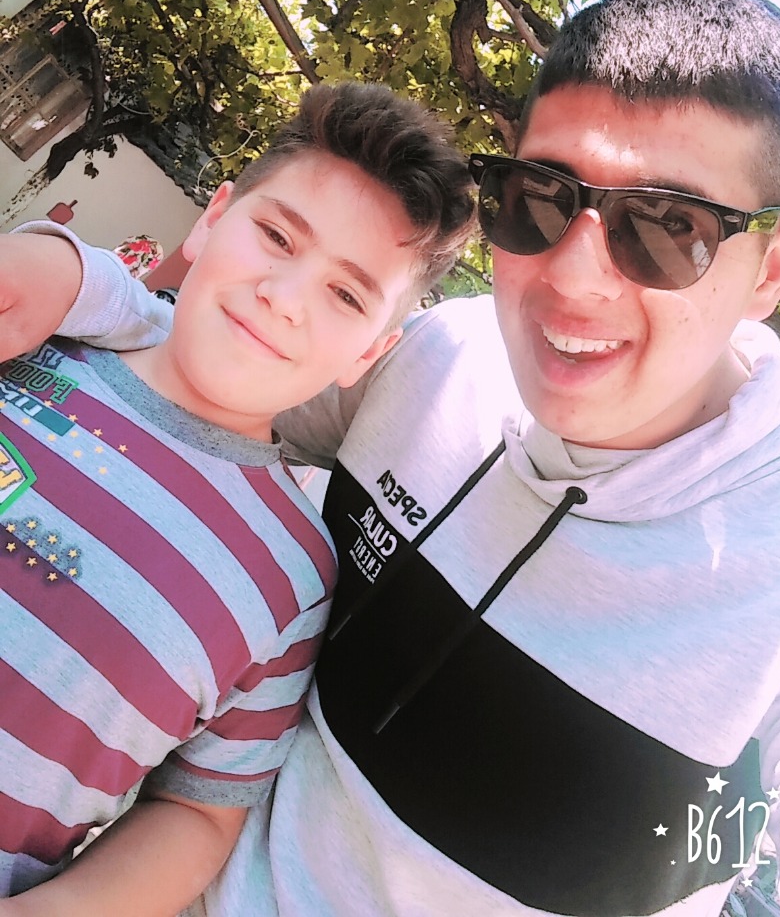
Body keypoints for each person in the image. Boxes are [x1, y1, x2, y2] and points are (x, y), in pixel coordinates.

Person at [4, 0, 780, 917]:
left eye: (670, 226)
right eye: (541, 200)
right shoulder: (437, 359)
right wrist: (76, 279)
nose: (575, 280)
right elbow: (211, 374)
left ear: (773, 268)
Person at [0, 80, 475, 915]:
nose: (283, 300)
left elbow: (198, 812)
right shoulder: (33, 333)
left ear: (369, 353)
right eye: (276, 236)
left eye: (346, 295)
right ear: (213, 217)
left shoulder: (294, 580)